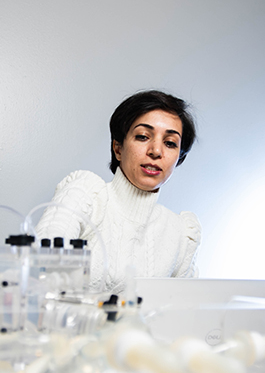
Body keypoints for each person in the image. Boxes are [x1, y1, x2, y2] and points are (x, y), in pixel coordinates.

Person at [36, 90, 200, 294]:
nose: (156, 151)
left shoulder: (180, 233)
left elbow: (184, 313)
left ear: (178, 159)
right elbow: (37, 273)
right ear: (118, 148)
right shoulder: (86, 195)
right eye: (142, 136)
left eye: (170, 143)